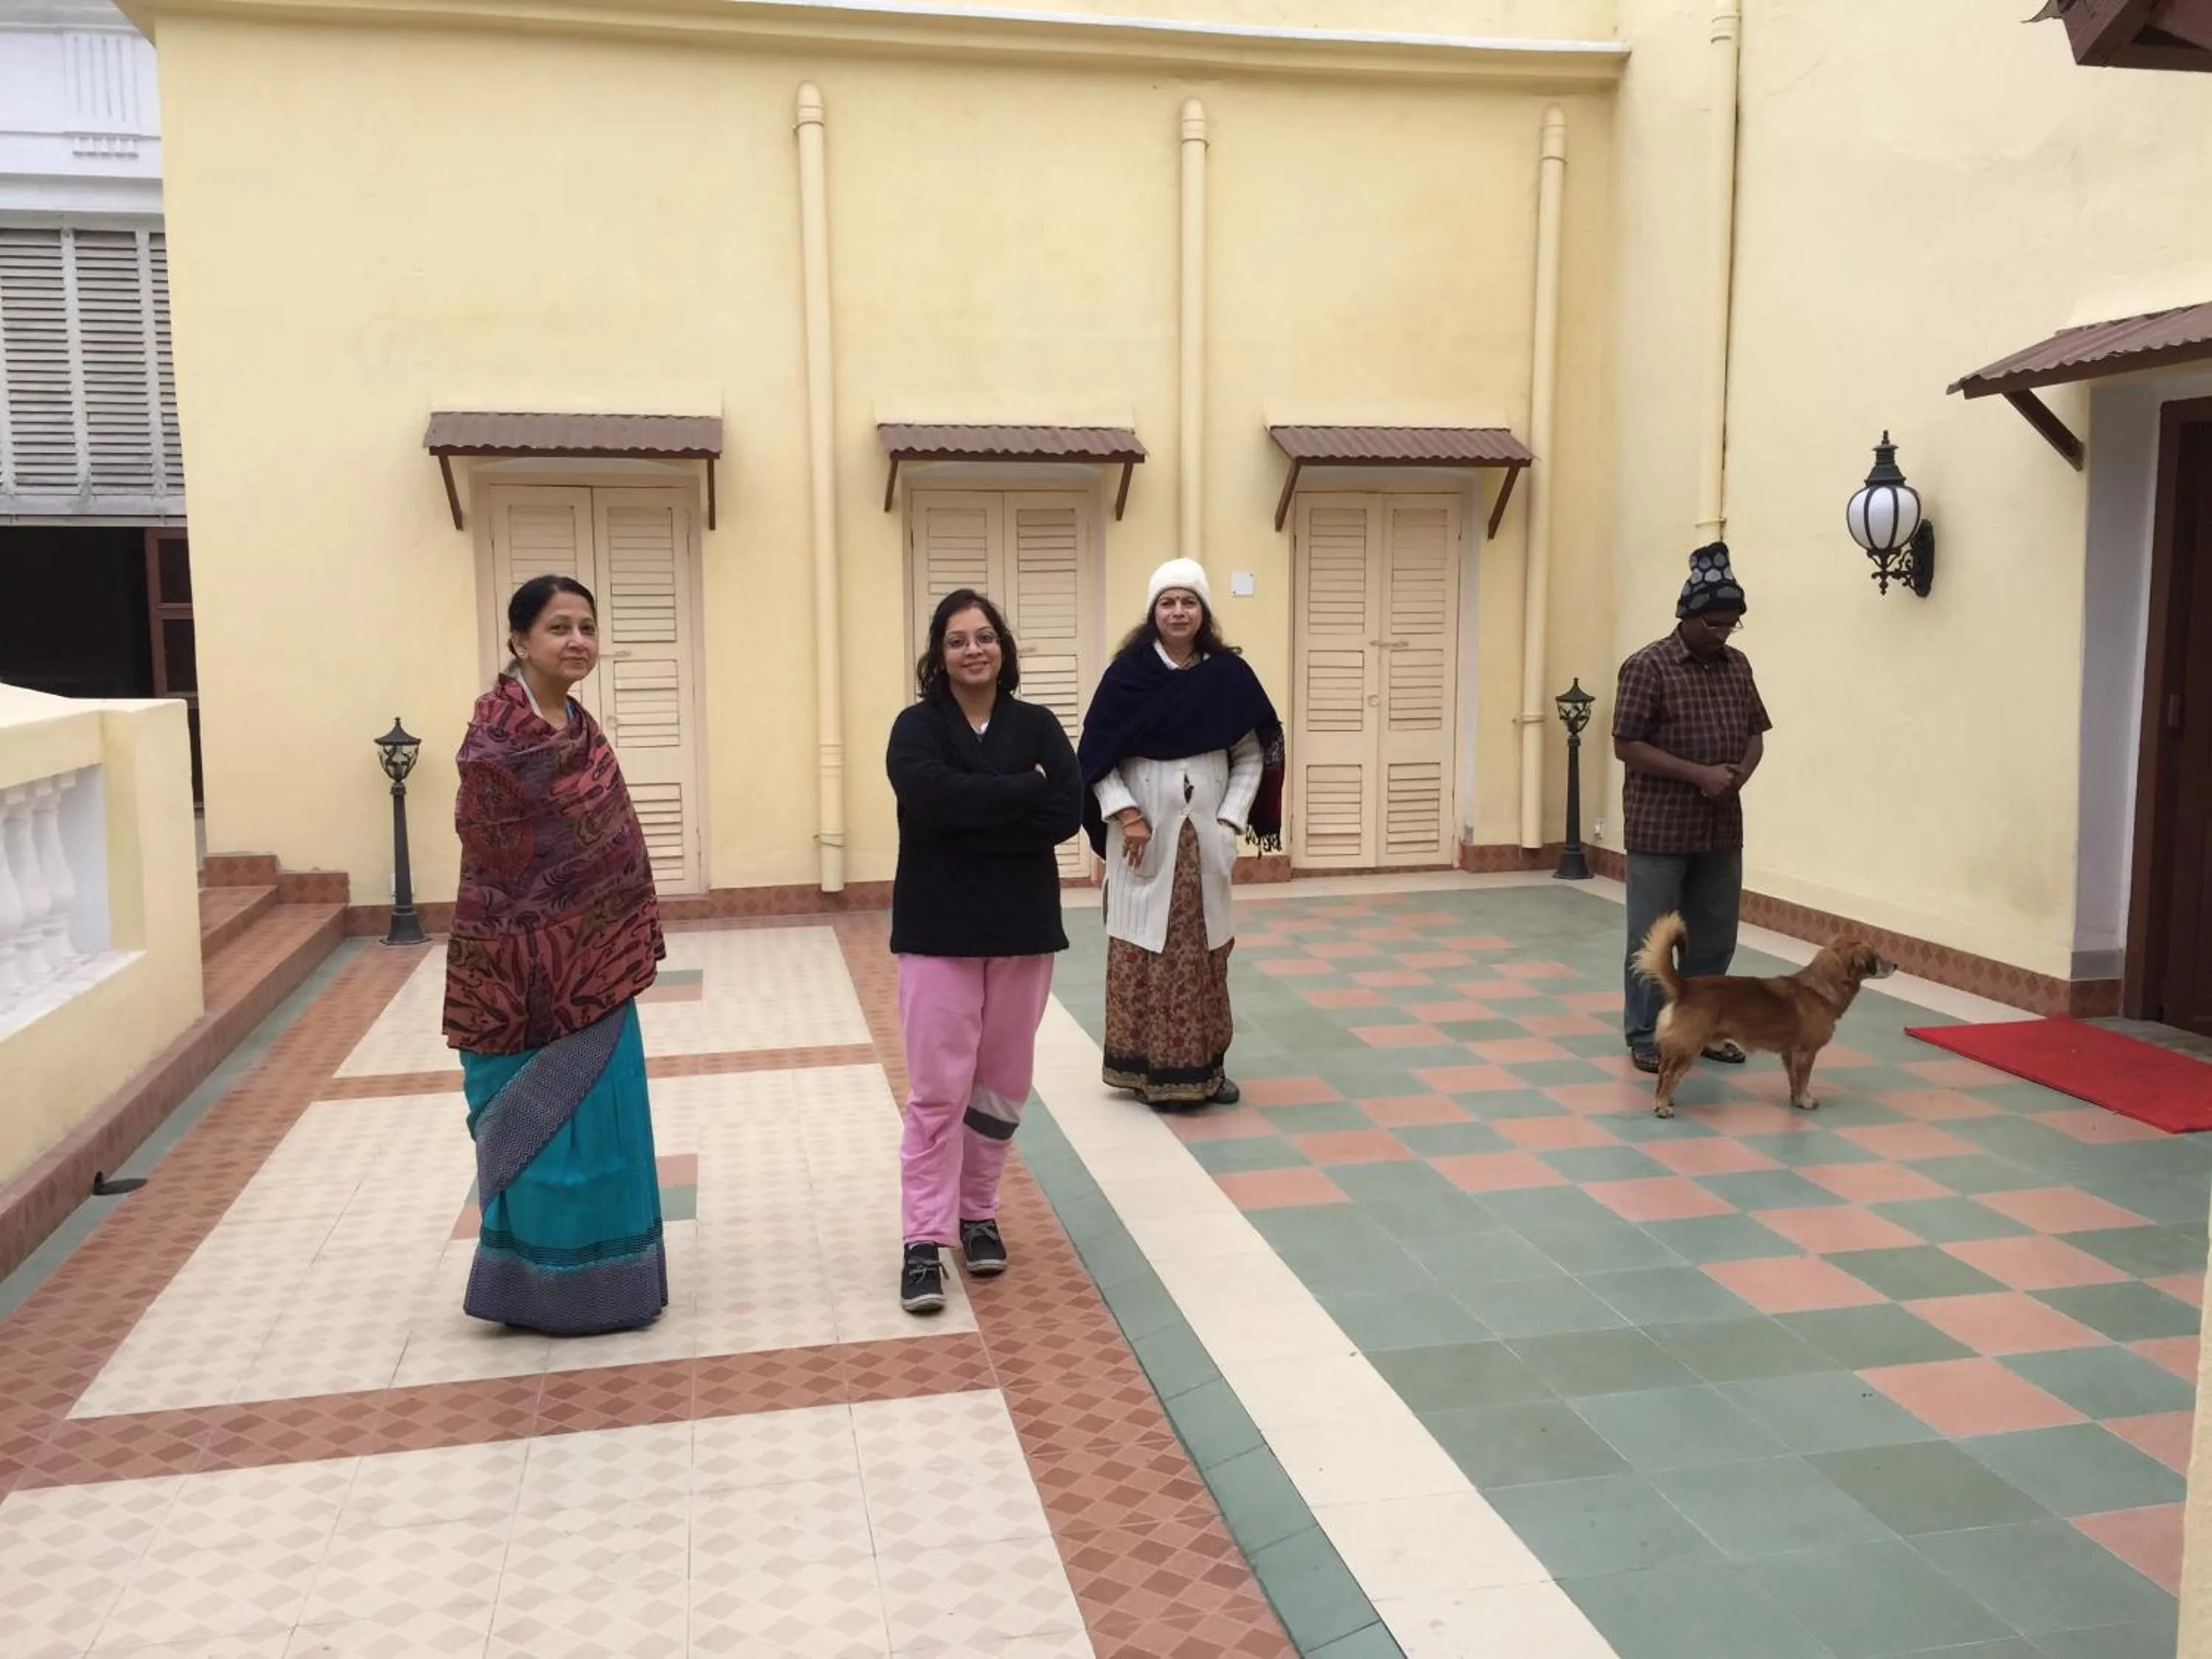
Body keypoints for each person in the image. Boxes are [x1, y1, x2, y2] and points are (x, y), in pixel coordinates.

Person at [442, 574, 669, 1335]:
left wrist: (596, 920)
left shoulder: (579, 726)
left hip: (595, 969)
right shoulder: (495, 738)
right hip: (516, 977)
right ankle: (533, 1290)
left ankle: (618, 1284)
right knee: (539, 1138)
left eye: (586, 628)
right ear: (519, 641)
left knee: (604, 1128)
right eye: (558, 628)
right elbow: (495, 853)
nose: (577, 641)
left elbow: (608, 841)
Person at [886, 589, 1082, 1315]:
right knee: (938, 1092)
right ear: (938, 655)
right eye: (959, 640)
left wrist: (979, 812)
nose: (975, 650)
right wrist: (1017, 795)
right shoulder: (916, 727)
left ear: (1004, 647)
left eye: (986, 636)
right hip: (938, 932)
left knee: (1000, 1086)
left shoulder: (1037, 724)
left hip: (1023, 930)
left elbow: (1066, 810)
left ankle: (977, 1214)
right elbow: (929, 800)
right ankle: (922, 1240)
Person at [1078, 558, 1284, 1110]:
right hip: (1142, 838)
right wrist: (1126, 815)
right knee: (1143, 948)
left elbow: (1251, 752)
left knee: (1202, 952)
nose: (1178, 611)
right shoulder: (1127, 677)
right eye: (1167, 602)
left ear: (1203, 611)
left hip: (1204, 840)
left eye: (1188, 602)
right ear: (1153, 612)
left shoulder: (1227, 677)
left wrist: (1229, 820)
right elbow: (1095, 759)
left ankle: (1207, 1070)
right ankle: (1141, 1070)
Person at [1613, 541, 1772, 1075]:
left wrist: (1738, 777)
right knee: (1653, 939)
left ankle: (1702, 1030)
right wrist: (1698, 774)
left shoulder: (1738, 667)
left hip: (1721, 828)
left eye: (1731, 625)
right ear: (1688, 615)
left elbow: (1755, 734)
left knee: (1714, 939)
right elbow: (1626, 744)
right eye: (1714, 624)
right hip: (1661, 830)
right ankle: (1646, 1035)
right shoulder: (1647, 667)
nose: (1723, 633)